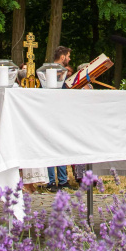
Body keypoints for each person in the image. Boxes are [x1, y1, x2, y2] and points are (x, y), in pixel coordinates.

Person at [46, 46, 72, 188]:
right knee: (52, 147)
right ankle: (52, 181)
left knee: (61, 146)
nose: (69, 59)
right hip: (53, 112)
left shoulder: (60, 71)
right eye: (68, 56)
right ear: (62, 57)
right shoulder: (53, 71)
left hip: (60, 111)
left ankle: (62, 180)